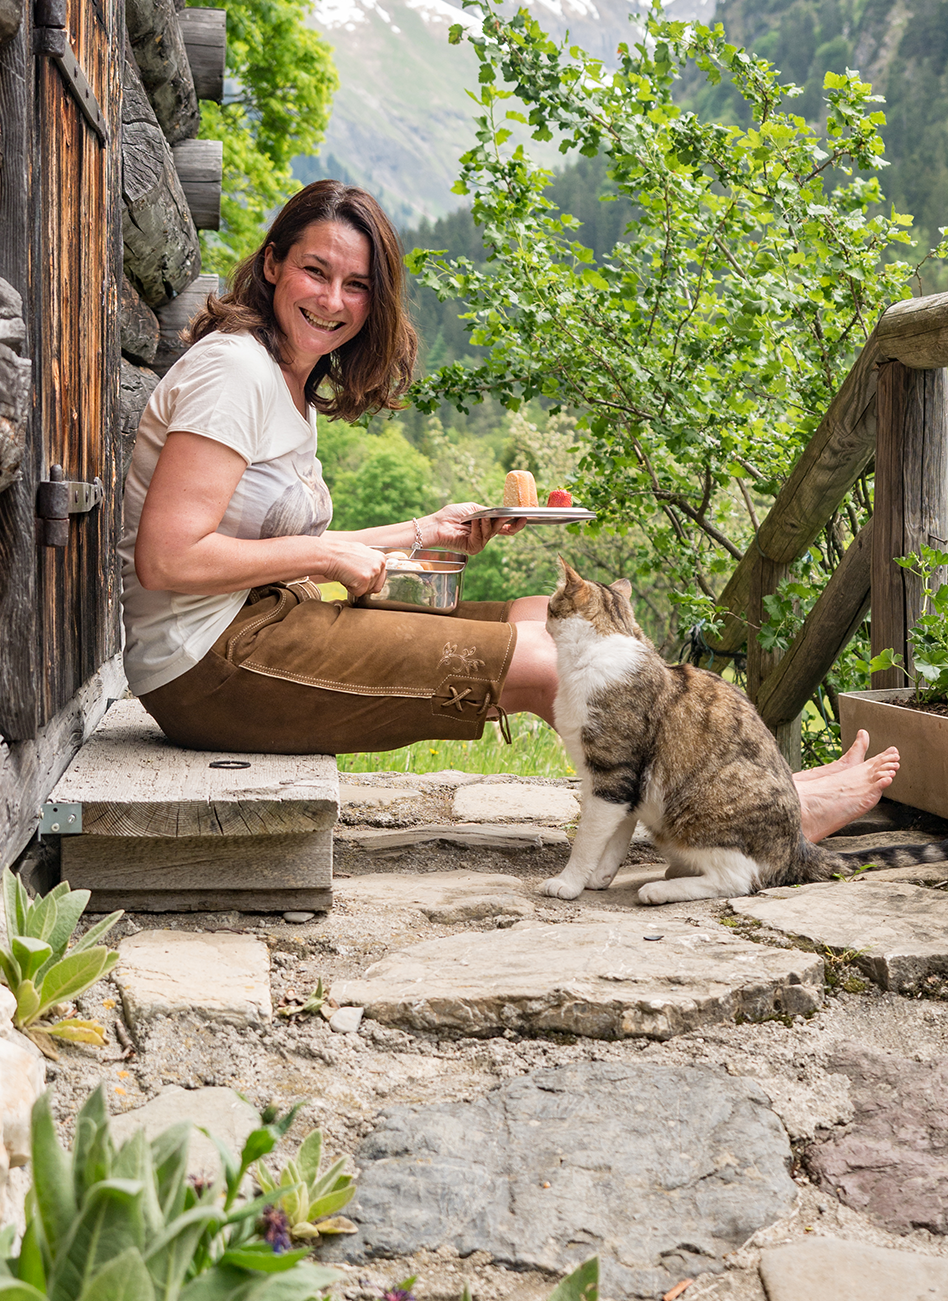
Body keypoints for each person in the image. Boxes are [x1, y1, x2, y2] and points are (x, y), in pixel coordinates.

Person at [119, 180, 899, 840]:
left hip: (262, 624)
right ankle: (758, 815)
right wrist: (327, 558)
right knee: (542, 662)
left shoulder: (288, 379)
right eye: (315, 272)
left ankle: (741, 784)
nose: (333, 300)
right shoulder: (235, 373)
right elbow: (172, 557)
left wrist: (429, 530)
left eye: (356, 285)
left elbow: (278, 540)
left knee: (559, 619)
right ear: (272, 264)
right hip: (206, 666)